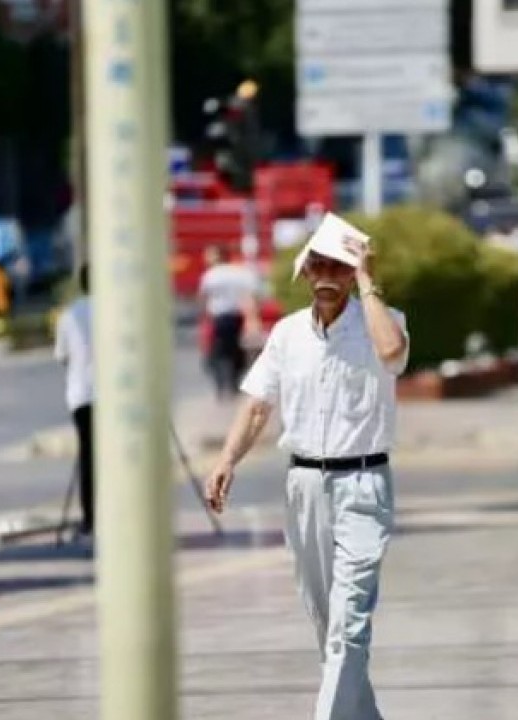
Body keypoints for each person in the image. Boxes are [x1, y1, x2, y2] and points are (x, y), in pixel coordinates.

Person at [205, 214, 410, 720]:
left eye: (338, 268)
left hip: (363, 484)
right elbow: (256, 404)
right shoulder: (288, 334)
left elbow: (392, 353)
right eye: (317, 265)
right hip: (304, 488)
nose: (326, 277)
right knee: (328, 626)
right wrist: (227, 458)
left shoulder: (383, 320)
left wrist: (366, 281)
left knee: (349, 624)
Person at [54, 264, 95, 537]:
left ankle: (90, 517)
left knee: (89, 458)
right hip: (117, 398)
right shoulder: (125, 312)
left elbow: (62, 356)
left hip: (83, 395)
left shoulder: (69, 315)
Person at [197, 246, 261, 402]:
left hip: (218, 318)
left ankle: (221, 385)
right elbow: (251, 294)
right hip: (236, 317)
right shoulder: (239, 273)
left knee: (216, 352)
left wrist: (203, 316)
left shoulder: (211, 275)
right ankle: (233, 382)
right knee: (236, 350)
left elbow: (203, 297)